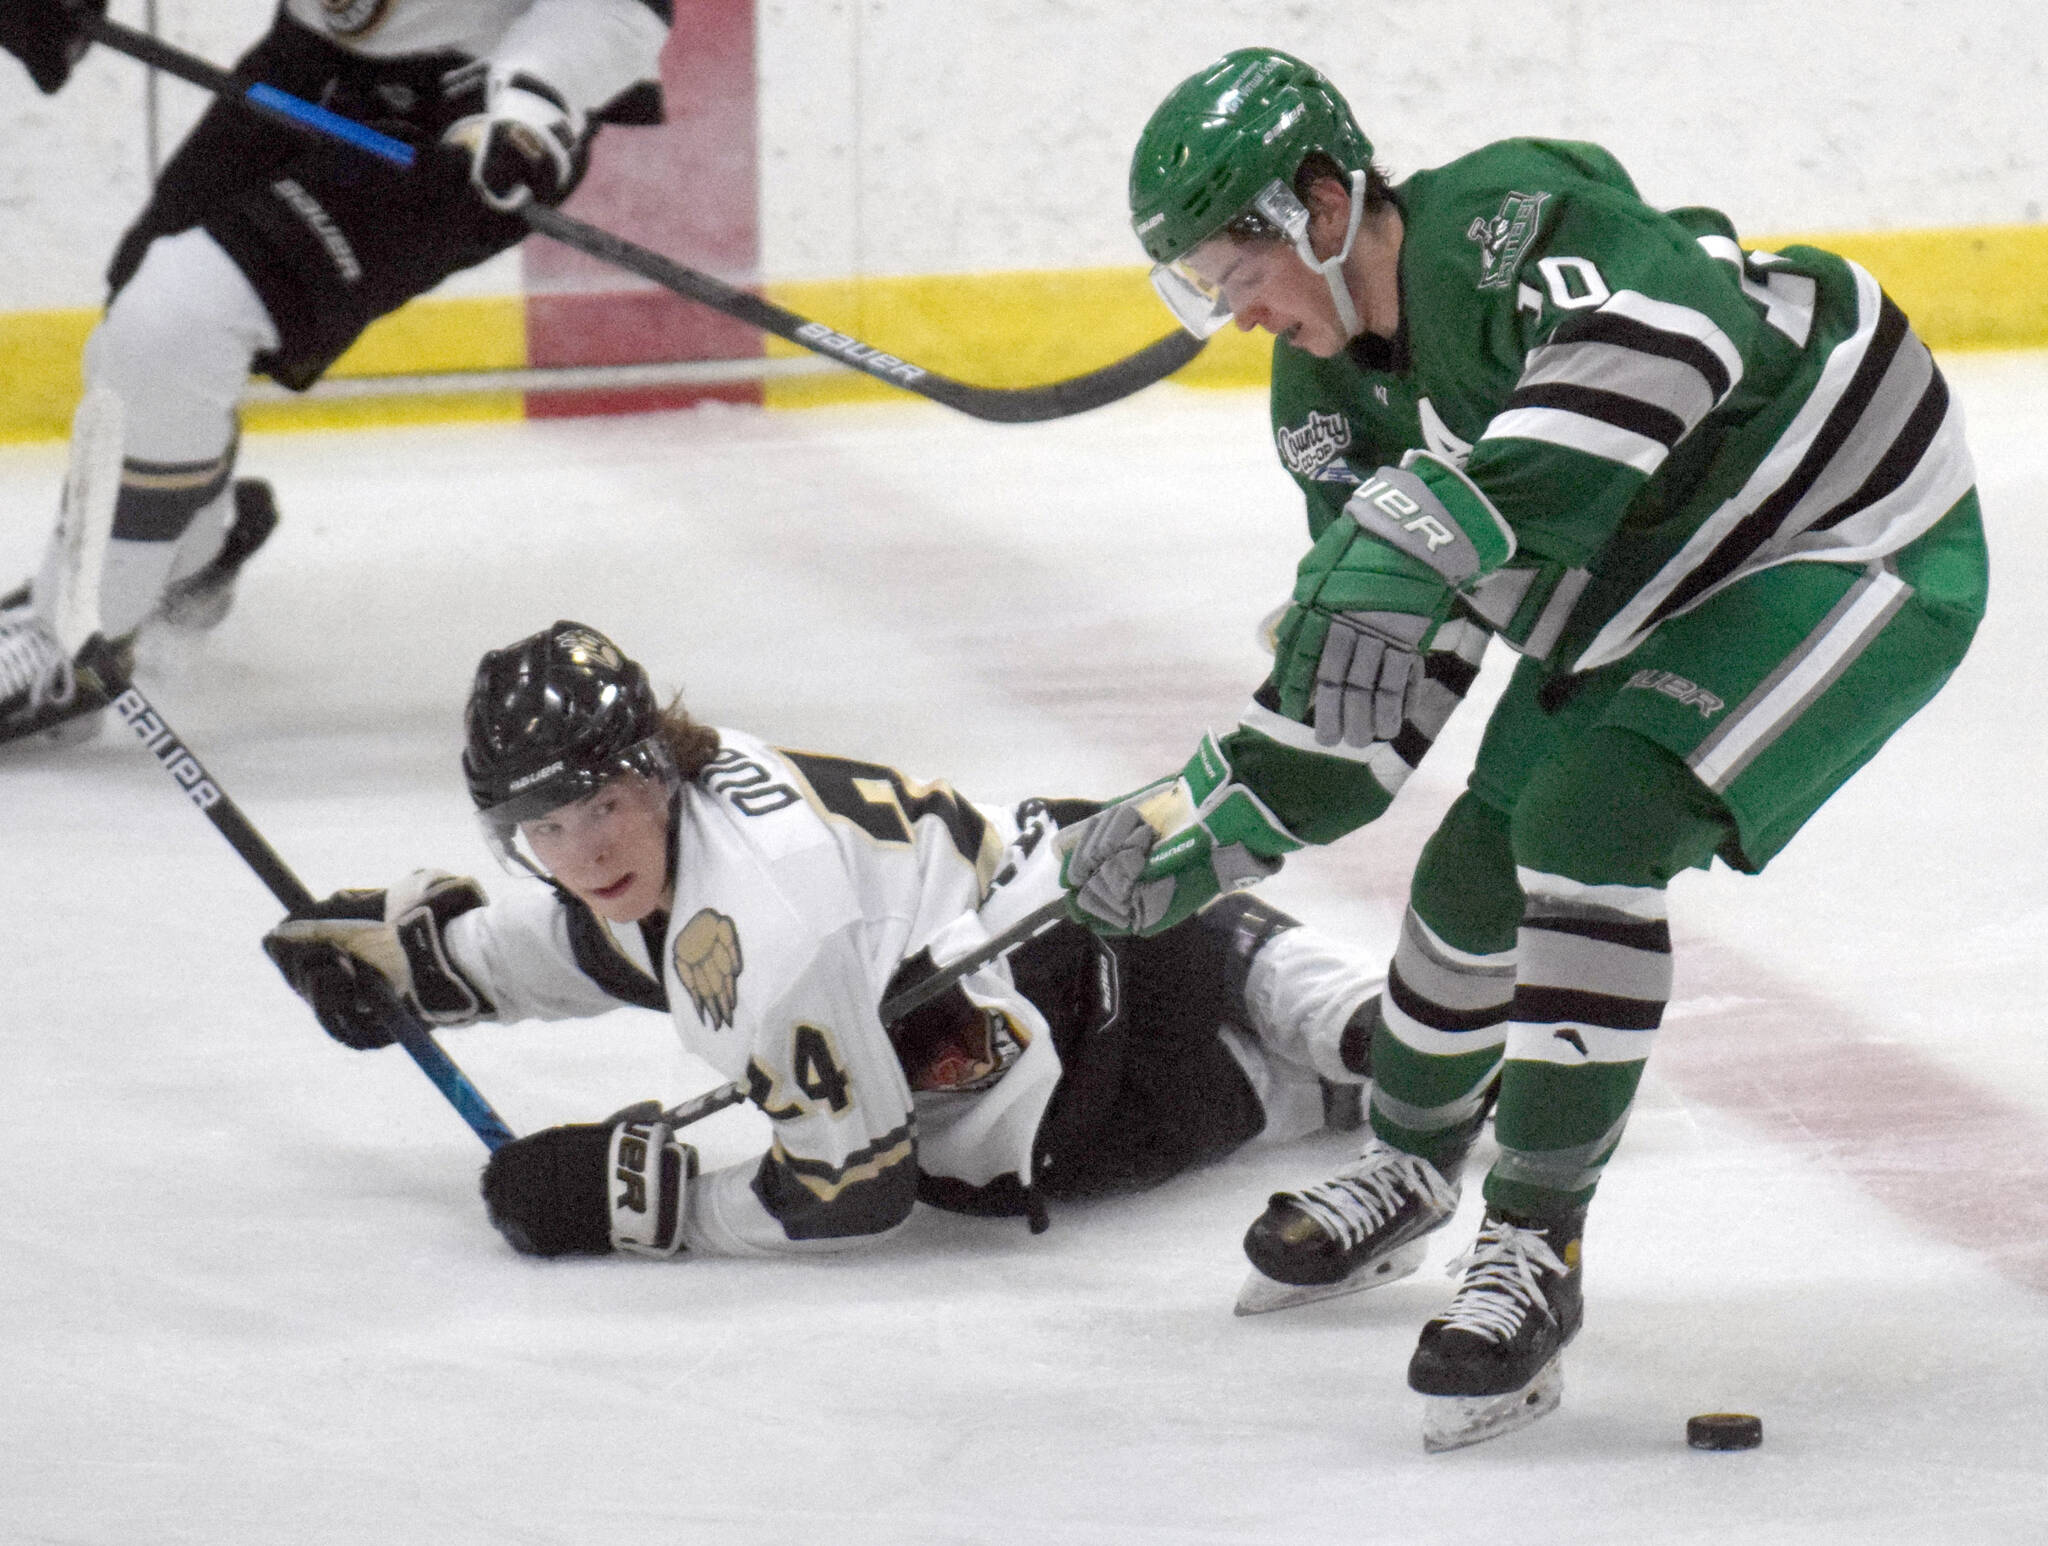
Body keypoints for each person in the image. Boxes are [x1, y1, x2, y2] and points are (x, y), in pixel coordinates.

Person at [1060, 47, 1987, 1450]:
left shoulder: (1503, 221)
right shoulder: (1319, 408)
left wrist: (1438, 522)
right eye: (1202, 284)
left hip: (1842, 526)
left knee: (1591, 827)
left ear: (1320, 199)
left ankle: (1535, 1246)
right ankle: (1410, 1167)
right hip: (1646, 576)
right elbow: (1384, 666)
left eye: (1231, 268)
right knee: (1470, 872)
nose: (1231, 312)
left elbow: (1684, 333)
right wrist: (1219, 820)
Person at [261, 619, 1385, 1258]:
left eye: (599, 805)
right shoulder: (698, 798)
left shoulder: (759, 926)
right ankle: (1342, 1016)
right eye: (543, 826)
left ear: (649, 771)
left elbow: (854, 1188)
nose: (583, 847)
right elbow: (610, 938)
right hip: (1072, 933)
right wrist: (428, 967)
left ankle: (1340, 1064)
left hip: (1099, 1099)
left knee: (980, 1136)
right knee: (1082, 841)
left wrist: (642, 1206)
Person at [0, 0, 672, 745]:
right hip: (313, 60)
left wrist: (535, 101)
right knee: (142, 328)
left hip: (473, 111)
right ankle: (185, 559)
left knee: (177, 320)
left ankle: (75, 641)